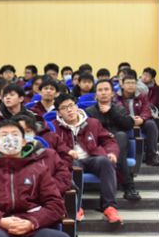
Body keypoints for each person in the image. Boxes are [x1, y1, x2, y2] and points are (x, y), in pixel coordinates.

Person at [50, 94, 122, 224]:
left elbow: (108, 141)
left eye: (71, 105)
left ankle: (109, 207)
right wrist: (67, 152)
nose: (69, 110)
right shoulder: (54, 127)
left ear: (76, 106)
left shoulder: (93, 123)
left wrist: (112, 153)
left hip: (93, 157)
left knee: (105, 162)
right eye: (64, 108)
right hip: (71, 161)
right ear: (59, 113)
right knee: (72, 165)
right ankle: (77, 207)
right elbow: (51, 148)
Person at [86, 80, 139, 202]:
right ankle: (129, 187)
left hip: (118, 143)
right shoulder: (89, 111)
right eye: (100, 90)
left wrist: (111, 111)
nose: (103, 93)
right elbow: (89, 132)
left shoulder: (119, 108)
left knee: (120, 136)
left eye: (106, 89)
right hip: (99, 144)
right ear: (96, 95)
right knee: (117, 152)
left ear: (112, 93)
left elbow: (128, 125)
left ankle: (108, 196)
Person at [118, 70, 159, 166]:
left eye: (133, 83)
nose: (131, 85)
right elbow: (118, 111)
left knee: (151, 124)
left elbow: (146, 110)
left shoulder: (142, 96)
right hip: (123, 123)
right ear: (122, 85)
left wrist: (142, 119)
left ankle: (152, 156)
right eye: (128, 83)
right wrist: (130, 119)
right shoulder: (116, 97)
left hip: (140, 121)